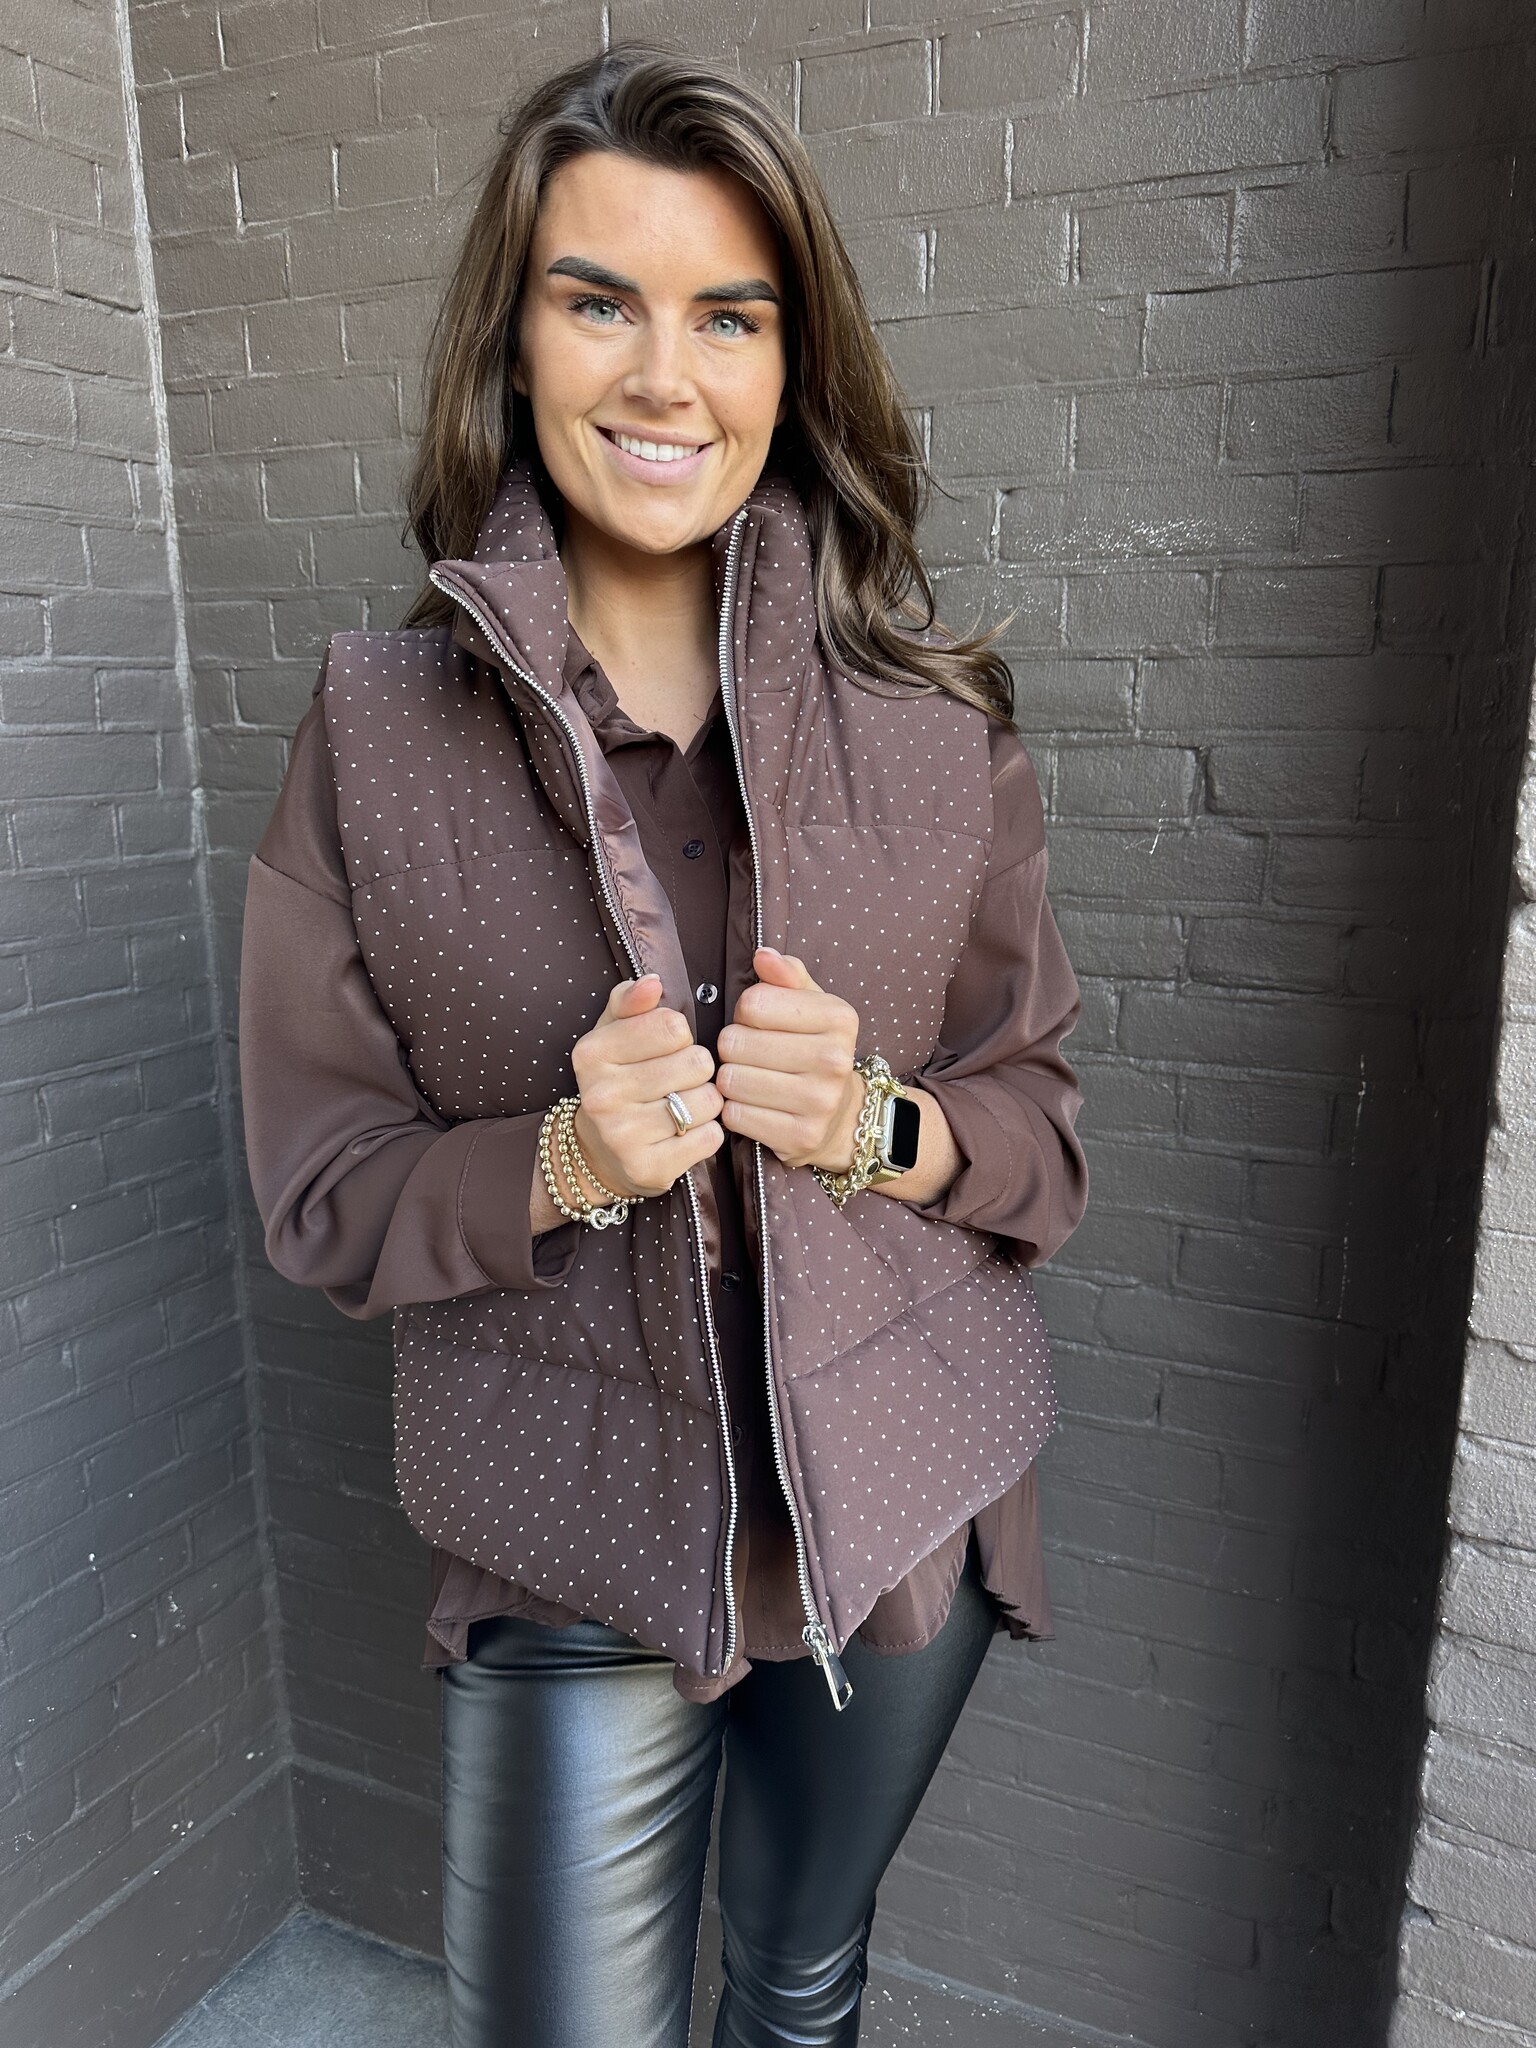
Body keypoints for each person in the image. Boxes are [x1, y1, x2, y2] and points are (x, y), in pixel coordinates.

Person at [238, 43, 1089, 2048]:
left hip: (898, 1499)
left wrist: (878, 1122)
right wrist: (555, 1160)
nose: (662, 376)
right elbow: (321, 1192)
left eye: (729, 315)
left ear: (792, 362)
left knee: (799, 1984)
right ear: (515, 339)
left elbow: (1043, 1137)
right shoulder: (375, 733)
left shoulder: (934, 725)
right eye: (597, 300)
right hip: (570, 1534)